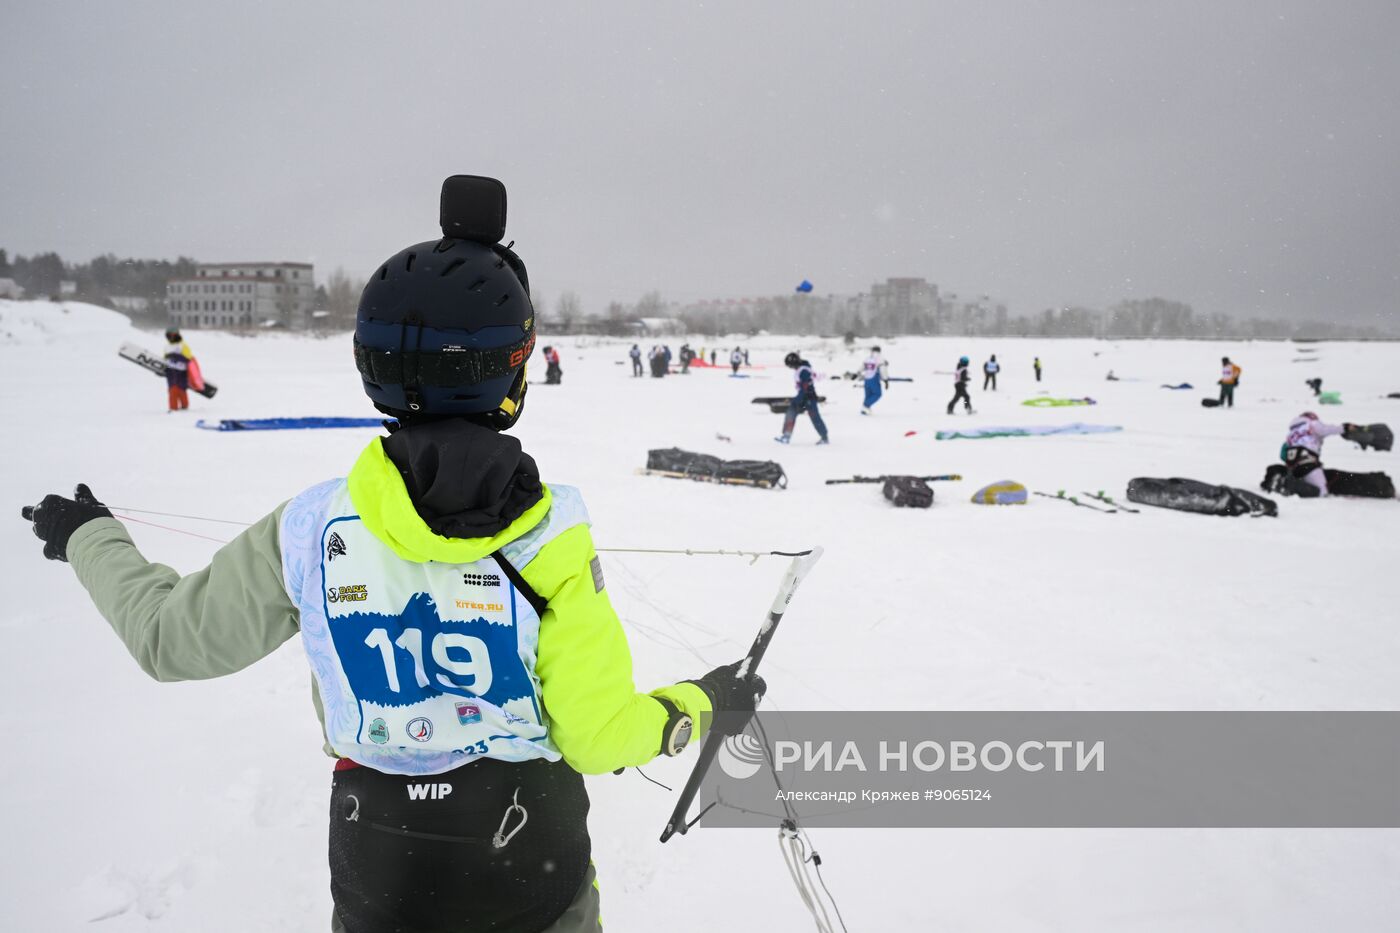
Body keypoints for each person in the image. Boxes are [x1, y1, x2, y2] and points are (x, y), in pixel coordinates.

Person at [20, 179, 764, 933]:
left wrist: (89, 535)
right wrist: (703, 705)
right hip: (530, 882)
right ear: (511, 374)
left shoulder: (310, 527)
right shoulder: (553, 538)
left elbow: (169, 639)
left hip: (383, 884)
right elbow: (599, 737)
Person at [1277, 411, 1348, 496]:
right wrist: (1344, 428)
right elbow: (1325, 430)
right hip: (1308, 463)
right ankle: (1290, 487)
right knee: (1322, 491)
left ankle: (1289, 486)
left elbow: (1283, 454)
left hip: (1293, 467)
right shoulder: (1311, 423)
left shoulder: (1291, 434)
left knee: (1308, 486)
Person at [776, 351, 828, 445]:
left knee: (815, 418)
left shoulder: (803, 371)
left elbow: (805, 388)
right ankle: (786, 436)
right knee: (790, 413)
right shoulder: (801, 369)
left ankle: (824, 438)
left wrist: (797, 400)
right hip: (803, 397)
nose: (790, 368)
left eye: (790, 366)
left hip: (808, 398)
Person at [163, 328, 191, 412]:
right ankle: (173, 408)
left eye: (172, 335)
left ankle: (184, 406)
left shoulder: (183, 345)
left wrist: (176, 356)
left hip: (181, 371)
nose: (170, 337)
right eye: (168, 336)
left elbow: (188, 359)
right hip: (170, 371)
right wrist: (163, 369)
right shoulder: (167, 347)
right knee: (172, 389)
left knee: (181, 389)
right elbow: (165, 359)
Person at [860, 346, 888, 415]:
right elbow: (883, 370)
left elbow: (862, 367)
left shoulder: (868, 358)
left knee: (868, 395)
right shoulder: (880, 359)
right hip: (874, 379)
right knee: (877, 394)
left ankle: (865, 409)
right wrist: (885, 380)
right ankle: (866, 406)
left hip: (866, 379)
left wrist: (856, 373)